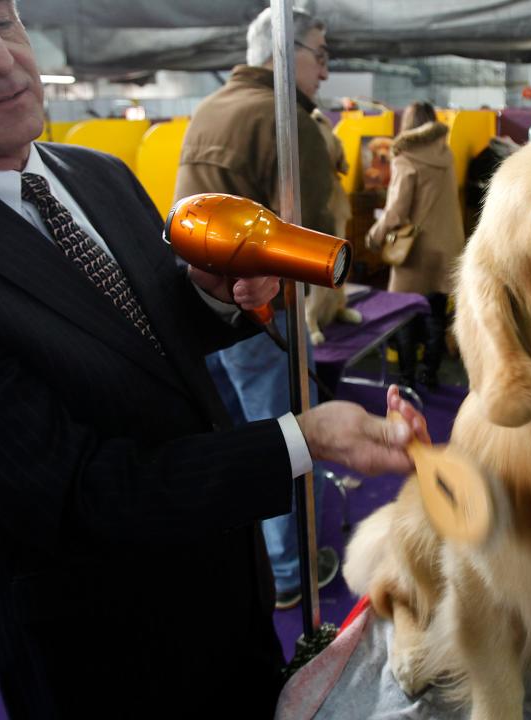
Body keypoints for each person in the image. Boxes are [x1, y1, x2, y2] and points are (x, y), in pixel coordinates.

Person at [0, 1, 429, 718]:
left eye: (4, 19)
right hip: (103, 639)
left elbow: (148, 340)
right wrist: (301, 439)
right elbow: (77, 494)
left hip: (222, 577)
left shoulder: (96, 175)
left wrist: (215, 299)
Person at [174, 8, 340, 611]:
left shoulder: (212, 108)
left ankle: (273, 560)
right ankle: (293, 567)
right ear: (283, 49)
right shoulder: (285, 121)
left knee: (243, 434)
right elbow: (313, 234)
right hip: (262, 307)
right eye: (318, 53)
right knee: (292, 435)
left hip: (201, 304)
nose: (324, 69)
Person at [366, 101, 466, 389]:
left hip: (415, 250)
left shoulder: (405, 157)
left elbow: (397, 211)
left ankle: (407, 377)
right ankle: (429, 374)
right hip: (447, 245)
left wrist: (374, 236)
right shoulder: (446, 154)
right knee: (435, 313)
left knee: (404, 314)